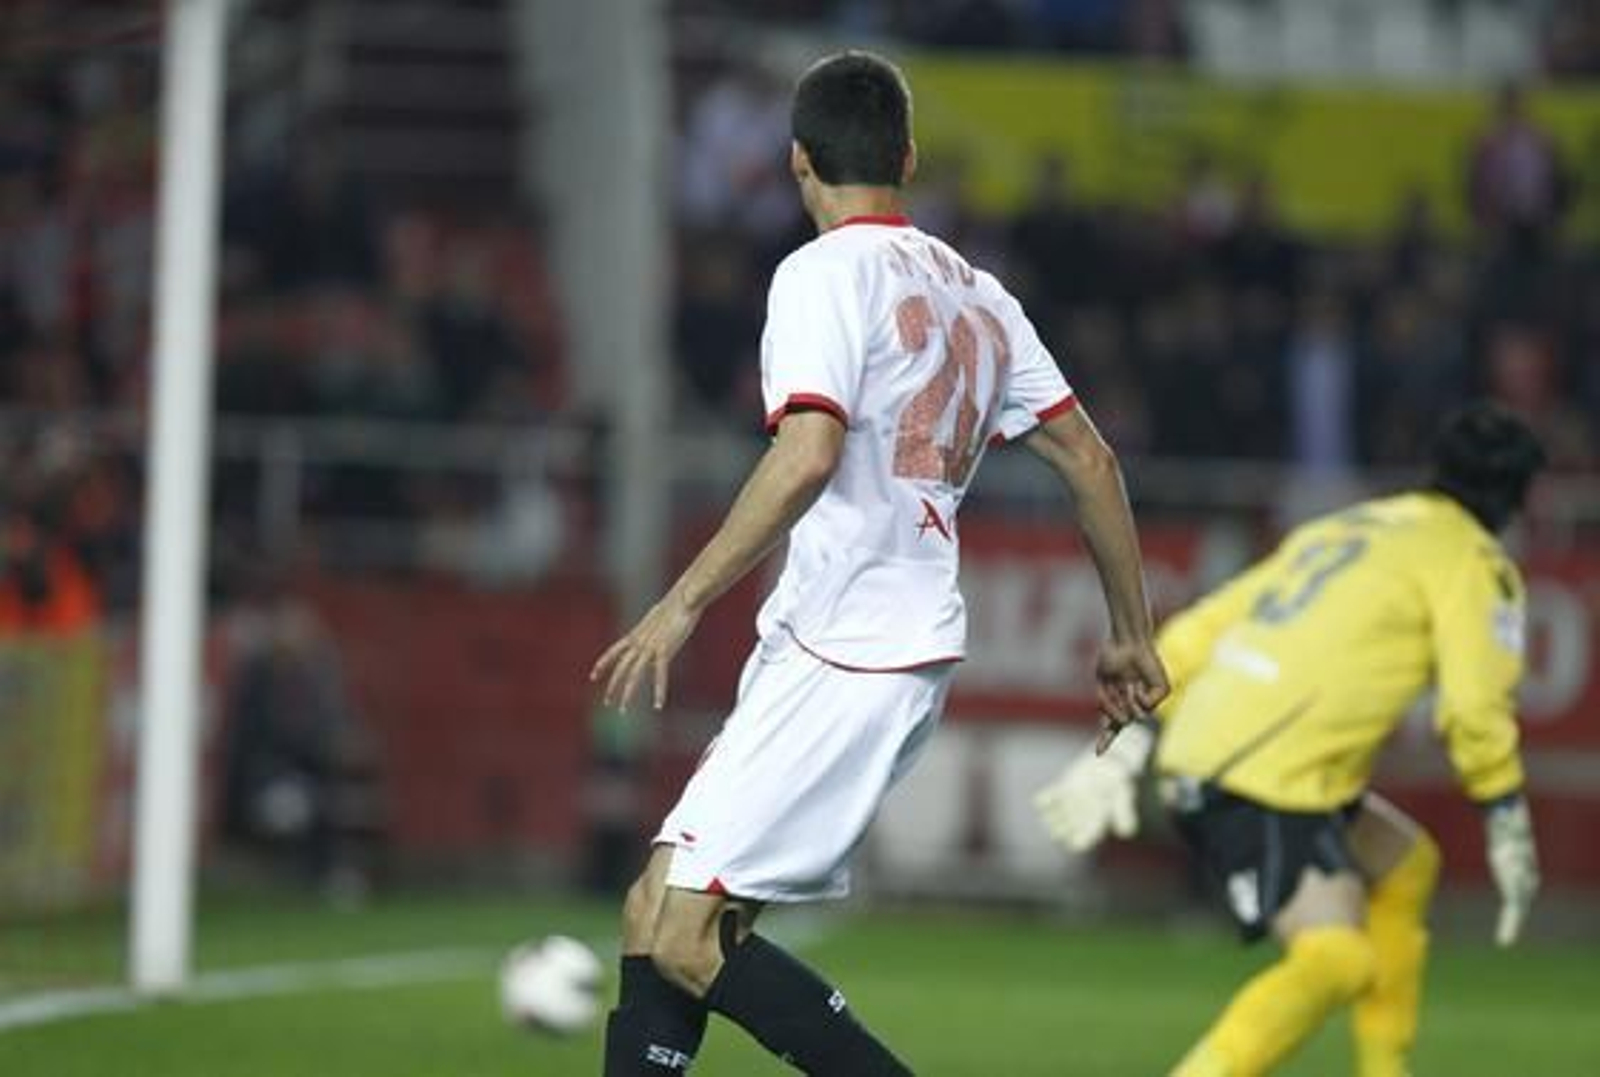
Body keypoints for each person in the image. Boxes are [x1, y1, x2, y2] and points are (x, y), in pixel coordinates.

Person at [591, 50, 1168, 1076]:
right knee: (656, 917)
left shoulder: (819, 274)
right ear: (906, 154)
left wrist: (680, 604)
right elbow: (1089, 456)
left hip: (848, 644)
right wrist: (1129, 631)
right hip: (867, 639)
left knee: (683, 935)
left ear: (798, 163)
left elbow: (808, 449)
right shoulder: (979, 293)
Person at [1035, 402, 1546, 1077]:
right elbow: (1475, 708)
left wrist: (1138, 729)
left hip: (1253, 761)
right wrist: (1506, 813)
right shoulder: (1476, 564)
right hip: (1258, 775)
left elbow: (1214, 618)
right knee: (1337, 958)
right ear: (1515, 502)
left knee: (1404, 862)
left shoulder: (1356, 525)